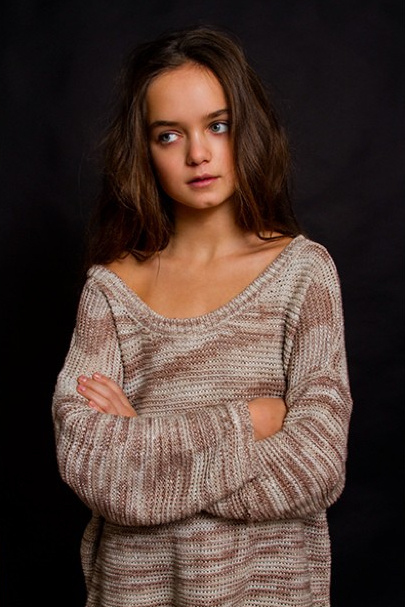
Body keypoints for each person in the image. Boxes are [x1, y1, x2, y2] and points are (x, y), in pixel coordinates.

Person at [52, 24, 353, 607]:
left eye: (219, 125)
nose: (198, 154)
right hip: (136, 590)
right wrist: (252, 421)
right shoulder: (111, 290)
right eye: (169, 135)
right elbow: (92, 466)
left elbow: (317, 465)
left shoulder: (303, 274)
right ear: (144, 150)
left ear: (248, 128)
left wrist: (148, 449)